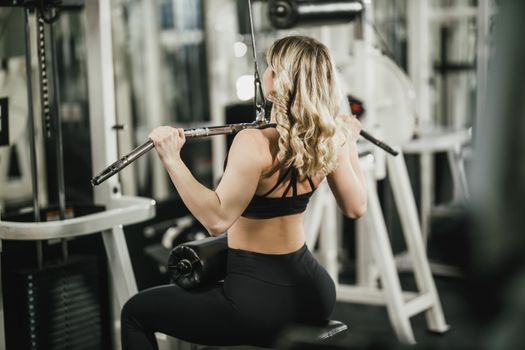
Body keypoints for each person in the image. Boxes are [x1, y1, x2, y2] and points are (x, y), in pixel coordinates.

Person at [121, 35, 367, 350]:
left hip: (257, 303)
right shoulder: (329, 137)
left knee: (135, 312)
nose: (265, 74)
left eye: (270, 68)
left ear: (279, 80)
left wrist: (172, 159)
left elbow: (217, 219)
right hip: (315, 294)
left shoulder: (254, 142)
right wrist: (350, 143)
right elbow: (356, 207)